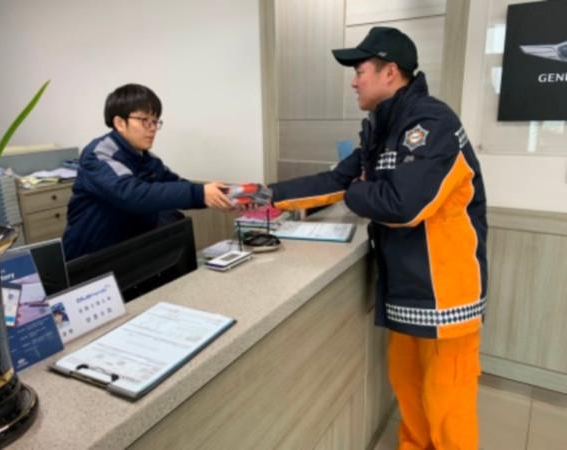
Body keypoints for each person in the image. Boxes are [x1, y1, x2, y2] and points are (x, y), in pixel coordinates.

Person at [269, 27, 487, 450]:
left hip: (445, 295)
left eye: (360, 71)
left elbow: (403, 205)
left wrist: (359, 191)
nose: (354, 81)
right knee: (408, 390)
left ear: (390, 72)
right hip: (405, 287)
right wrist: (263, 195)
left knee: (448, 407)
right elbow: (335, 180)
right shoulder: (381, 129)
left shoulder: (432, 123)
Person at [63, 84, 232, 260]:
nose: (152, 128)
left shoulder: (145, 157)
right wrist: (200, 193)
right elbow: (132, 194)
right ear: (120, 123)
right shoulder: (98, 154)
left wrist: (223, 196)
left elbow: (174, 184)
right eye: (144, 120)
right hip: (89, 257)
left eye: (155, 121)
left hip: (127, 253)